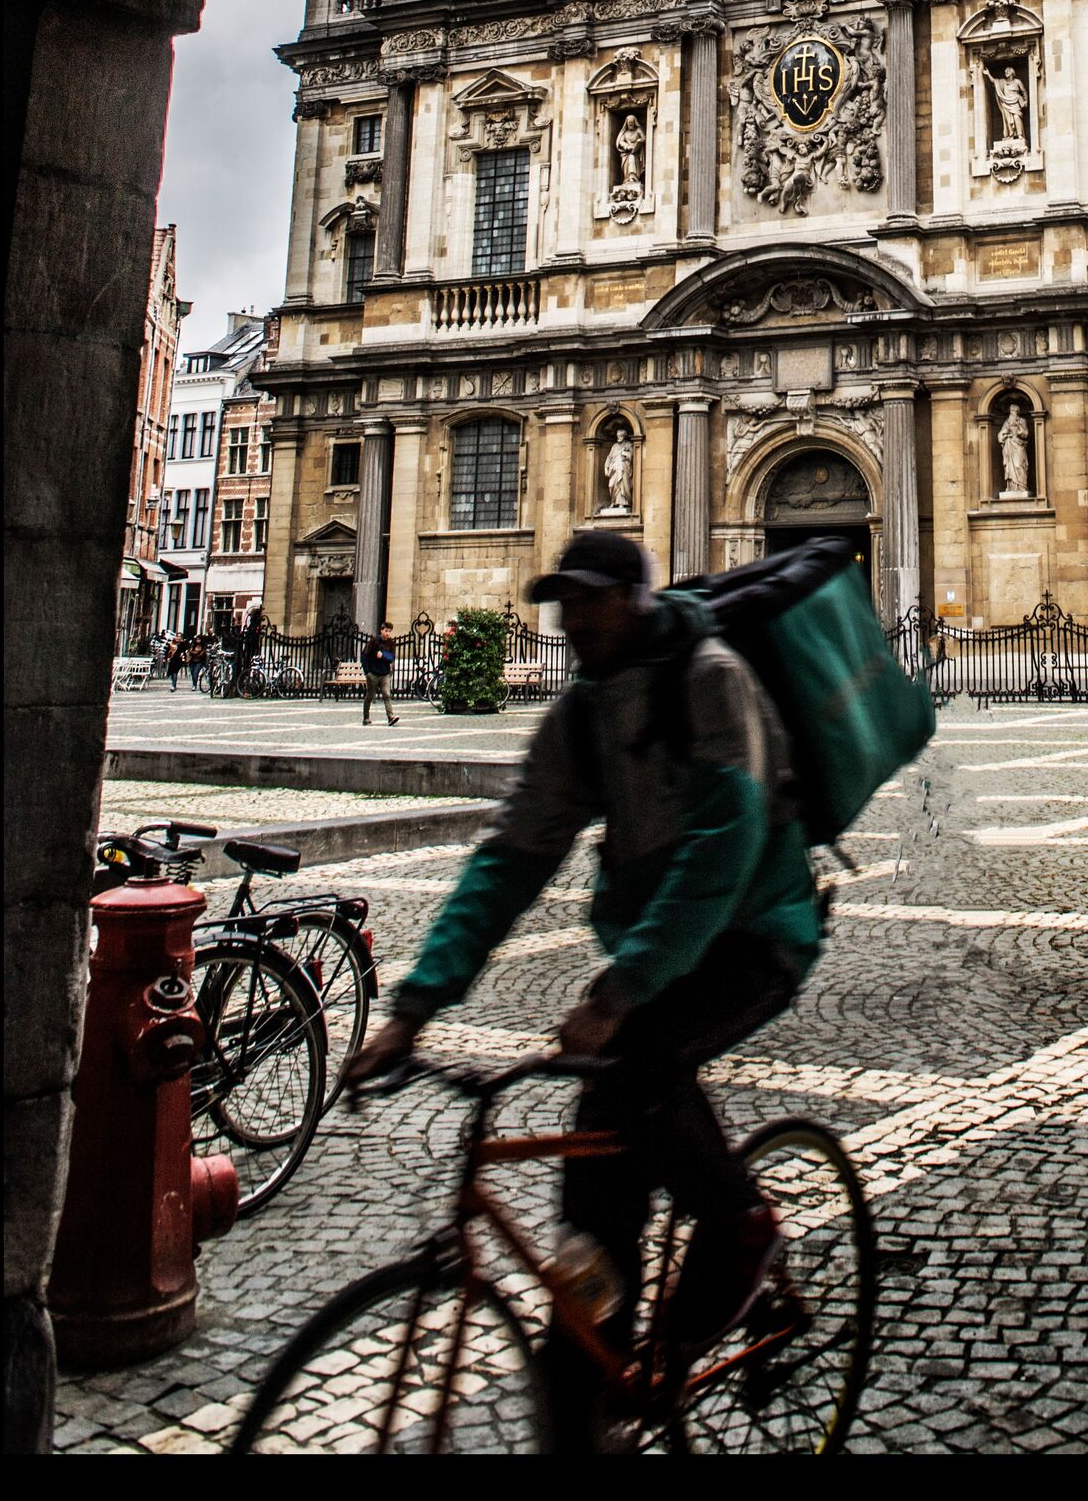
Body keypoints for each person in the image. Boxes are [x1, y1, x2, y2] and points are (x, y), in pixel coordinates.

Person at [348, 530, 825, 1446]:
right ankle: (594, 1374)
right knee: (593, 1174)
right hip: (654, 955)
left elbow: (723, 850)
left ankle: (743, 1229)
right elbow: (511, 856)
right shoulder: (584, 709)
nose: (569, 620)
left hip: (754, 937)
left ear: (636, 599)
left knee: (634, 1067)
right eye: (561, 602)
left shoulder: (711, 676)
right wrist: (416, 1004)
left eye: (587, 600)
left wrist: (620, 987)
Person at [359, 621, 399, 727]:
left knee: (386, 694)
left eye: (389, 631)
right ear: (381, 630)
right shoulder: (374, 641)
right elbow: (364, 656)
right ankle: (366, 717)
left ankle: (390, 717)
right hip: (373, 673)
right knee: (370, 696)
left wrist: (383, 655)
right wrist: (367, 671)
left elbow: (392, 657)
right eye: (386, 631)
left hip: (385, 673)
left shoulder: (390, 643)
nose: (387, 633)